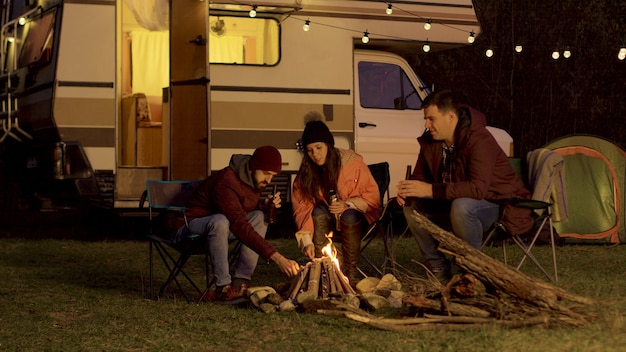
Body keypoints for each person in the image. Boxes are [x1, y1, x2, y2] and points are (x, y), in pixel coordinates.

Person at [396, 90, 533, 283]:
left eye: (431, 119)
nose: (427, 125)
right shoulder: (431, 141)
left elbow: (477, 189)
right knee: (412, 207)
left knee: (463, 206)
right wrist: (408, 191)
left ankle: (471, 269)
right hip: (450, 202)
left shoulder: (479, 140)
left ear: (450, 117)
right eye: (426, 119)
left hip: (496, 204)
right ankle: (439, 270)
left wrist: (428, 190)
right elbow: (420, 176)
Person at [177, 145, 300, 301]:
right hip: (191, 224)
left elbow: (238, 208)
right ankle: (222, 288)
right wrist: (278, 258)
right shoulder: (226, 182)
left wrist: (264, 206)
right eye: (266, 173)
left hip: (222, 225)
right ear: (253, 167)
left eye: (272, 176)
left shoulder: (253, 180)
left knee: (259, 217)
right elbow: (239, 223)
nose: (268, 180)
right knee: (219, 221)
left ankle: (240, 282)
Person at [292, 113, 381, 283]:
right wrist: (306, 241)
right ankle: (320, 268)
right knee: (318, 211)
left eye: (319, 148)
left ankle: (351, 273)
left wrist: (348, 204)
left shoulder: (351, 163)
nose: (315, 154)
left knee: (348, 215)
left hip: (356, 217)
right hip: (329, 218)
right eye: (309, 150)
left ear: (328, 145)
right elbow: (302, 208)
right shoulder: (307, 172)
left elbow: (373, 197)